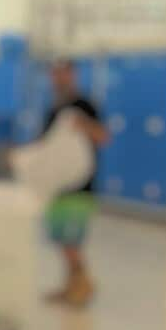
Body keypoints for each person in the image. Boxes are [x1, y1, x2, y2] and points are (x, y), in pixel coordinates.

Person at [41, 58, 109, 307]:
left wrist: (84, 125)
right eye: (54, 73)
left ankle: (83, 285)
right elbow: (46, 147)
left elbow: (103, 136)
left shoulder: (84, 105)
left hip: (79, 187)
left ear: (73, 75)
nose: (58, 78)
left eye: (63, 73)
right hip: (57, 187)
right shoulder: (52, 109)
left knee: (72, 241)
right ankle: (70, 287)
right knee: (61, 238)